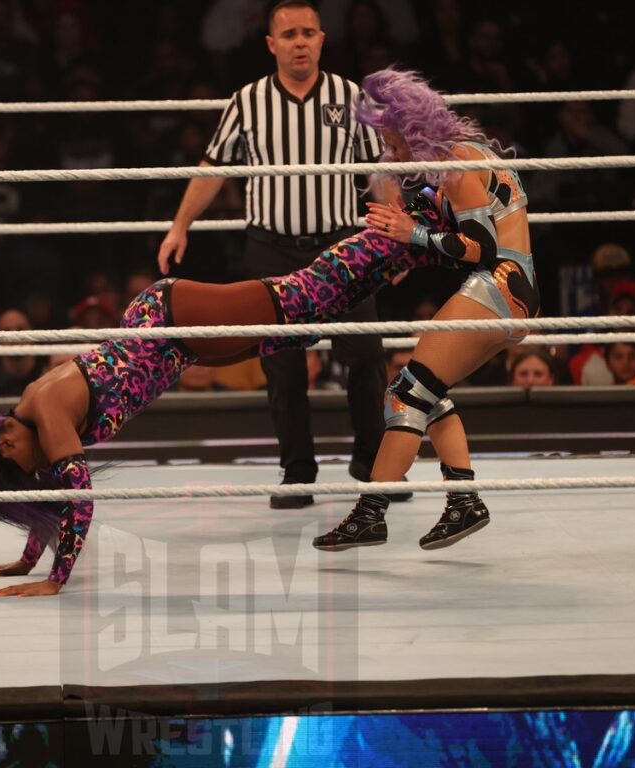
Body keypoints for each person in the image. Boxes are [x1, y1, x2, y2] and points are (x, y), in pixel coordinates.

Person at [0, 197, 453, 597]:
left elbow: (77, 499)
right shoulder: (33, 420)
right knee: (317, 313)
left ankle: (421, 221)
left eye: (13, 474)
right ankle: (426, 243)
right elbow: (51, 490)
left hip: (170, 324)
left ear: (7, 446)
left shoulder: (47, 411)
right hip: (177, 345)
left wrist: (55, 578)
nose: (26, 477)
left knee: (306, 293)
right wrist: (27, 558)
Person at [156, 0, 407, 509]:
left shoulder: (349, 95)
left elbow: (377, 171)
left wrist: (397, 238)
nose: (299, 42)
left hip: (342, 248)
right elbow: (214, 166)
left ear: (321, 40)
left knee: (364, 357)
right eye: (288, 33)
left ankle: (372, 464)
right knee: (283, 368)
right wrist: (180, 225)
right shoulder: (246, 102)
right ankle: (297, 473)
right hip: (272, 248)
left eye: (307, 32)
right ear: (270, 44)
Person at [314, 67, 540, 553]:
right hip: (509, 291)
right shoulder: (464, 156)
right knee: (429, 392)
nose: (392, 153)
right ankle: (463, 500)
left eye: (394, 142)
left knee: (402, 394)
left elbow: (480, 245)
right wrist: (407, 235)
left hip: (498, 285)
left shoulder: (456, 160)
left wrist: (409, 234)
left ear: (410, 128)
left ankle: (369, 514)